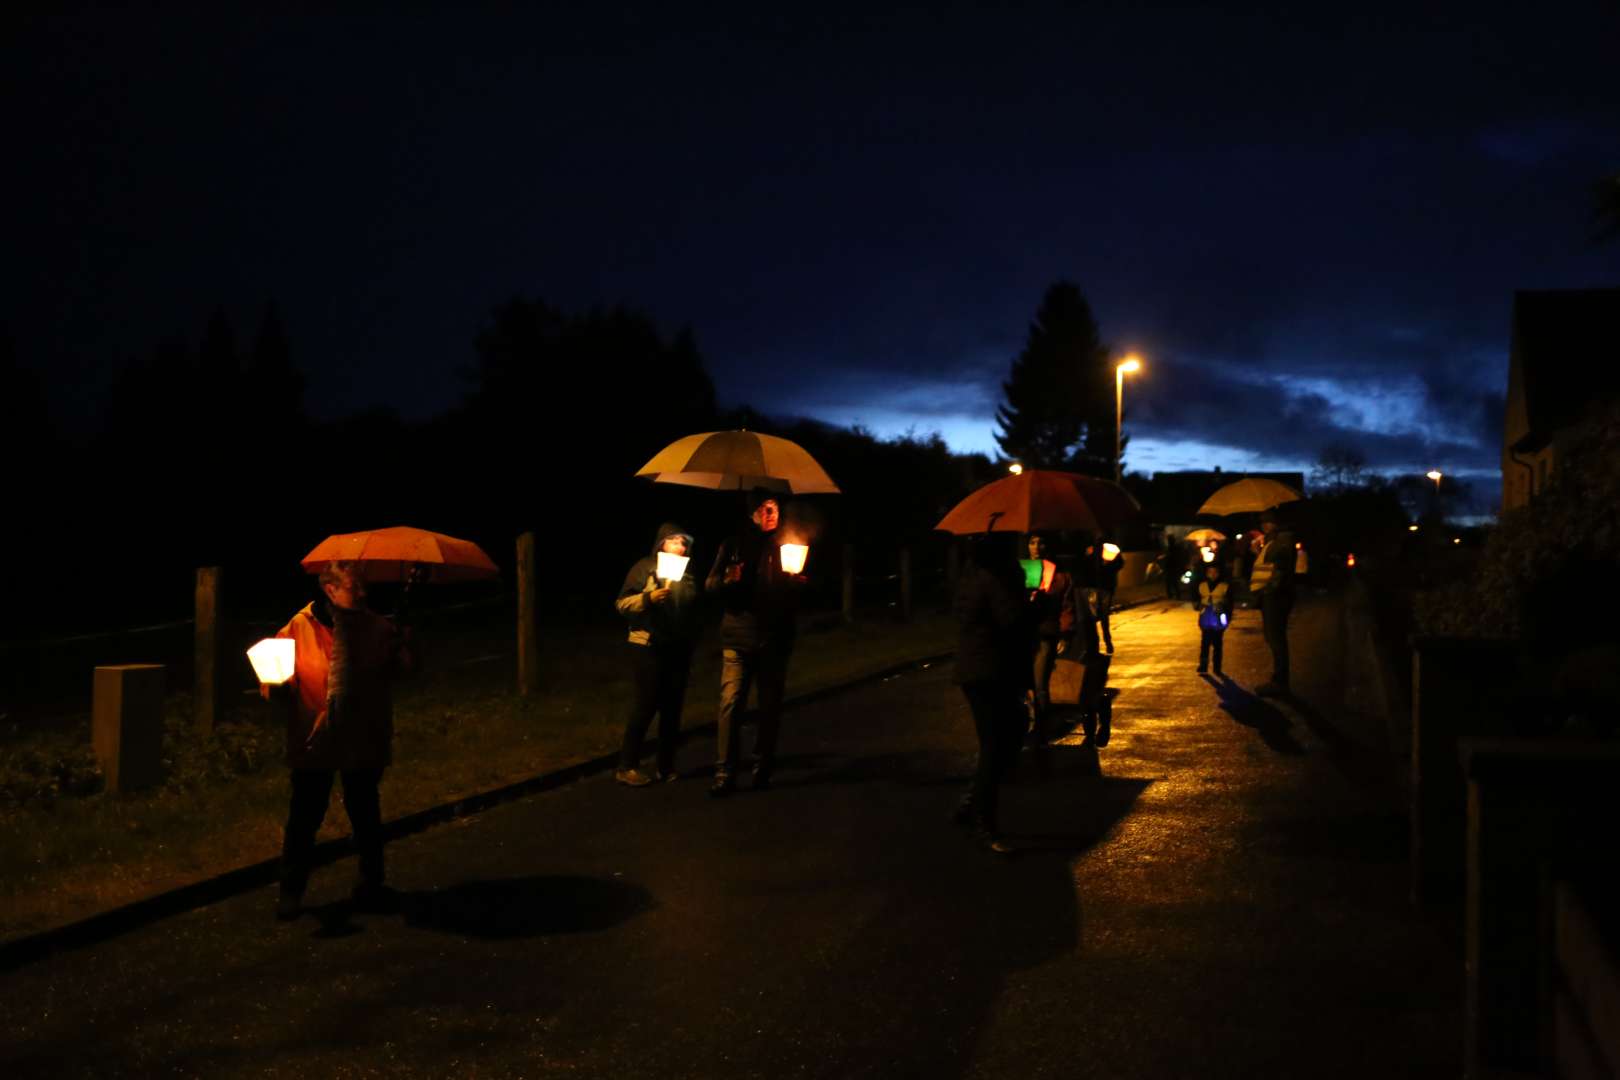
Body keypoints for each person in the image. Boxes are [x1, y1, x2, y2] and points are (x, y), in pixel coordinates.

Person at [260, 561, 417, 921]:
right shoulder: (298, 629)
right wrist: (277, 688)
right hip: (315, 738)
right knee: (305, 814)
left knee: (365, 811)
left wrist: (406, 645)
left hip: (363, 735)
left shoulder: (377, 627)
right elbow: (274, 678)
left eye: (364, 585)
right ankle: (291, 891)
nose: (363, 593)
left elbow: (401, 671)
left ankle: (371, 884)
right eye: (354, 586)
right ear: (330, 589)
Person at [704, 491, 806, 797]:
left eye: (775, 508)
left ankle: (763, 768)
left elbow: (798, 595)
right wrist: (727, 580)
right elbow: (710, 585)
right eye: (764, 508)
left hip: (774, 639)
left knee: (770, 707)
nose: (771, 513)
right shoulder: (733, 545)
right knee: (730, 704)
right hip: (738, 637)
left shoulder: (786, 545)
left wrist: (796, 585)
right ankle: (725, 772)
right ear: (752, 513)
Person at [951, 533, 1032, 854]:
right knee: (996, 745)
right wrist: (1038, 604)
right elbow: (1012, 621)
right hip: (990, 670)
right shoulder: (994, 579)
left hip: (979, 670)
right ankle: (983, 822)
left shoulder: (971, 576)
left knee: (1004, 737)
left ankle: (974, 804)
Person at [614, 522, 702, 786]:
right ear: (661, 543)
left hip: (677, 647)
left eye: (684, 542)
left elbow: (693, 610)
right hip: (647, 644)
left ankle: (666, 766)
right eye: (674, 540)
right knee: (647, 703)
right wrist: (648, 599)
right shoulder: (644, 567)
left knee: (672, 708)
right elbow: (622, 603)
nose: (680, 546)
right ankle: (627, 765)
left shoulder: (688, 573)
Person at [1024, 533, 1076, 751]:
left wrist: (1065, 633)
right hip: (1022, 633)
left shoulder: (1059, 575)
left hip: (1046, 632)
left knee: (1039, 684)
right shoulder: (1020, 571)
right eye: (1032, 542)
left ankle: (1041, 730)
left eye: (1041, 542)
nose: (1037, 547)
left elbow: (1066, 605)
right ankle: (1024, 725)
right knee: (1021, 683)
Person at [1248, 509, 1297, 696]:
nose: (1263, 525)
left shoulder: (1282, 540)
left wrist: (1268, 590)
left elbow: (1278, 569)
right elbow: (1268, 565)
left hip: (1276, 596)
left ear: (1275, 522)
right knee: (1273, 637)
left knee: (1276, 638)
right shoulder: (1274, 540)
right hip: (1272, 594)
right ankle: (1279, 680)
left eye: (1267, 521)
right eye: (1262, 521)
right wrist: (1259, 551)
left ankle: (1280, 683)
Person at [1195, 562, 1231, 675]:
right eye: (1210, 572)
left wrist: (1227, 618)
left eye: (1215, 572)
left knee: (1217, 643)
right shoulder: (1202, 585)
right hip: (1205, 616)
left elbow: (1229, 603)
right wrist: (1198, 607)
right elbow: (1196, 600)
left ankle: (1217, 667)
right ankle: (1203, 666)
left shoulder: (1224, 586)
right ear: (1207, 573)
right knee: (1205, 643)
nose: (1213, 574)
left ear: (1219, 573)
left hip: (1218, 616)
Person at [1090, 535, 1120, 653]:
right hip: (1095, 586)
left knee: (1102, 616)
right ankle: (1097, 643)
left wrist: (1108, 564)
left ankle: (1106, 642)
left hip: (1104, 587)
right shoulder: (1092, 548)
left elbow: (1119, 563)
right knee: (1096, 616)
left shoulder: (1109, 547)